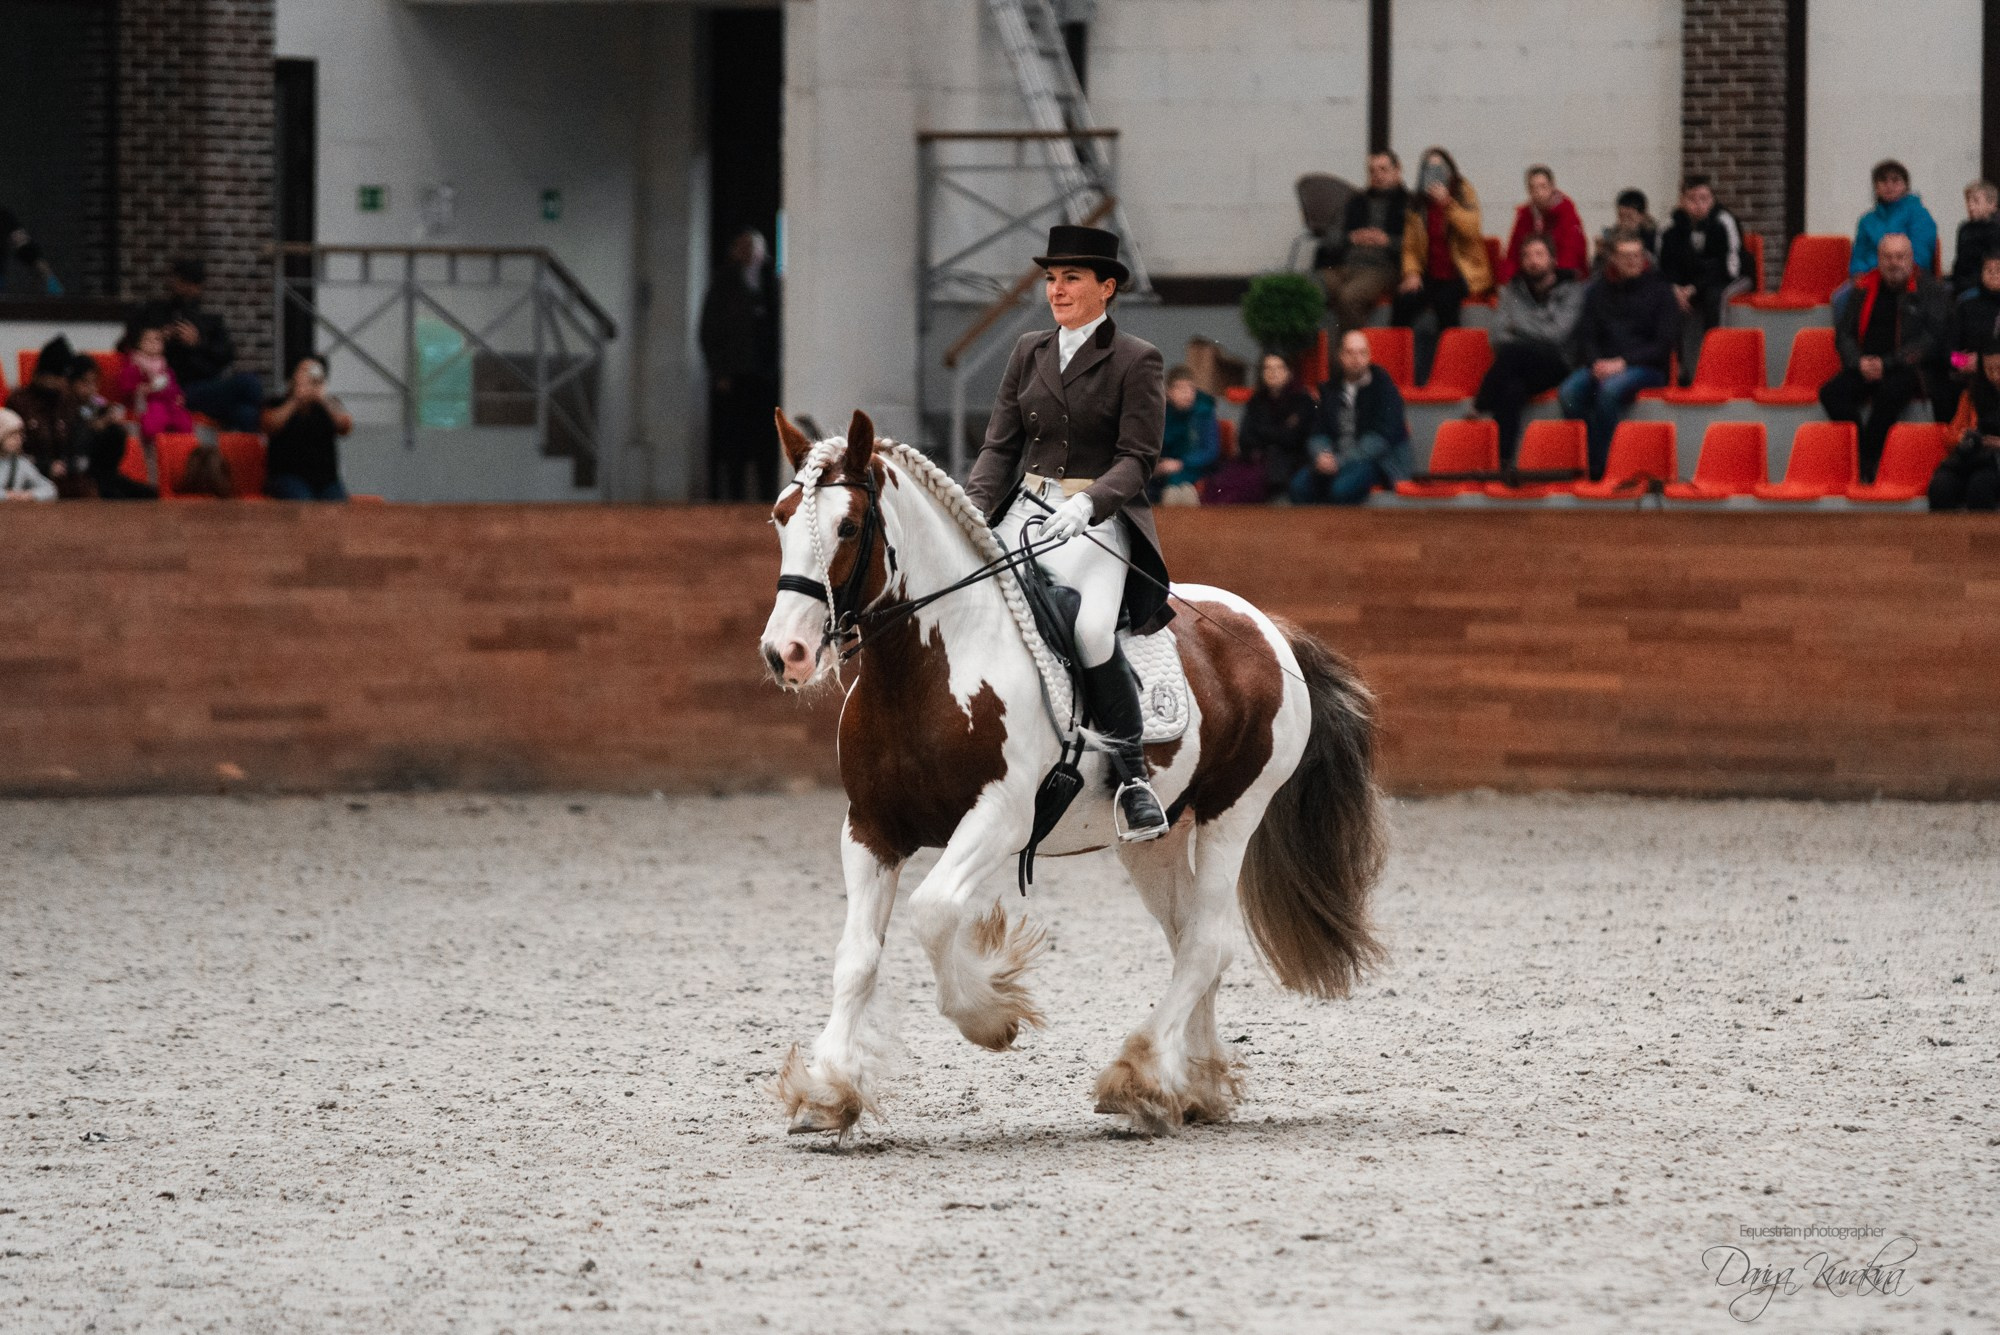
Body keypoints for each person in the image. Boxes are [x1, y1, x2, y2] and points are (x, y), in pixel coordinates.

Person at [965, 223, 1172, 841]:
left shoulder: (1136, 359)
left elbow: (1138, 457)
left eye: (1071, 278)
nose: (1056, 290)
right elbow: (999, 447)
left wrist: (1090, 504)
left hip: (1095, 520)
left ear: (1106, 288)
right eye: (1052, 279)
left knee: (1089, 629)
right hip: (1026, 508)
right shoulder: (1028, 349)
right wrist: (971, 511)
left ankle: (1133, 777)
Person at [1821, 233, 1949, 482]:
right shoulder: (1862, 287)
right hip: (1864, 364)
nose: (1894, 263)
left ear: (1911, 259)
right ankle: (1860, 450)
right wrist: (1857, 362)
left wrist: (1887, 363)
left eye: (1900, 257)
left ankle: (1867, 459)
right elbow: (1844, 334)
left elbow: (1931, 340)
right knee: (1831, 394)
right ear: (1879, 259)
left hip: (1907, 367)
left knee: (1890, 393)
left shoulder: (1930, 290)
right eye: (1888, 257)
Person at [1559, 232, 1680, 479]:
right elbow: (1587, 336)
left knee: (1609, 391)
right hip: (1604, 365)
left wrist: (1622, 363)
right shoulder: (1596, 291)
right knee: (1568, 394)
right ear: (1613, 258)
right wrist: (1595, 363)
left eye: (1637, 255)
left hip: (1648, 368)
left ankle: (1602, 468)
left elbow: (1663, 345)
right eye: (1626, 256)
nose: (1633, 261)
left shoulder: (1661, 291)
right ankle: (1593, 453)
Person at [1473, 235, 1585, 467]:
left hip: (1558, 364)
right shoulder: (1510, 292)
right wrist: (1535, 329)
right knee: (1511, 389)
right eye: (1527, 256)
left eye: (1539, 255)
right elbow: (1497, 336)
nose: (1533, 261)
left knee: (1514, 352)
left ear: (1553, 260)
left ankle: (1481, 402)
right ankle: (1502, 463)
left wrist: (1517, 326)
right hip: (1520, 366)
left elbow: (1557, 335)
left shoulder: (1572, 290)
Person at [698, 227, 781, 501]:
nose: (750, 253)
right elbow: (709, 330)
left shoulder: (772, 283)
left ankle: (768, 495)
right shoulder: (723, 283)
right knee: (734, 439)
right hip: (734, 374)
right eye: (744, 247)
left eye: (755, 248)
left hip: (765, 374)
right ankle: (733, 498)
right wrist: (719, 370)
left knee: (766, 438)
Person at [1396, 146, 1492, 382]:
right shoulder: (1417, 203)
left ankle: (1449, 372)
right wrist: (1411, 272)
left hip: (1462, 273)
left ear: (1450, 171)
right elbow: (1410, 246)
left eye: (1439, 169)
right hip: (1430, 273)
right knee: (1403, 301)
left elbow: (1472, 230)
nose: (1434, 174)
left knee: (1445, 302)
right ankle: (1398, 370)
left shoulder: (1463, 191)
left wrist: (1448, 203)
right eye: (1429, 169)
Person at [138, 259, 264, 430]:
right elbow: (128, 345)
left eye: (192, 284)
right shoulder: (156, 313)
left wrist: (198, 343)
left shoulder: (209, 319)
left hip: (209, 384)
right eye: (183, 282)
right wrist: (159, 337)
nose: (188, 288)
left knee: (245, 412)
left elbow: (226, 355)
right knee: (249, 385)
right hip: (174, 387)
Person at [1293, 329, 1412, 504]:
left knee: (1341, 490)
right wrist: (1322, 455)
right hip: (1335, 458)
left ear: (1369, 356)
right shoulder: (1329, 389)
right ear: (1341, 356)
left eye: (1362, 353)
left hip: (1376, 462)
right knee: (1299, 487)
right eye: (1350, 353)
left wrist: (1340, 461)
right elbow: (1317, 431)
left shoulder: (1385, 389)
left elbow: (1380, 440)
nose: (1356, 358)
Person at [1655, 175, 1748, 387]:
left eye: (1704, 199)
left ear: (1712, 199)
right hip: (1688, 283)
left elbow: (1730, 267)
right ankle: (1679, 369)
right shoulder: (1669, 226)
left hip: (1729, 278)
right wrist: (1675, 289)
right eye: (1692, 199)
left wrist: (1694, 288)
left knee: (1716, 298)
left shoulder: (1724, 221)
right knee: (1665, 299)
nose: (1698, 205)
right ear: (1681, 200)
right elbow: (1664, 266)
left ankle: (1717, 364)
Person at [1318, 151, 1410, 334]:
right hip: (1345, 265)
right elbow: (1329, 239)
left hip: (1383, 268)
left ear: (1397, 170)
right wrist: (1351, 238)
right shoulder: (1355, 201)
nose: (1377, 175)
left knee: (1350, 297)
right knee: (1309, 287)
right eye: (1372, 171)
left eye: (1383, 169)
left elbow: (1419, 246)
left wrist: (1387, 241)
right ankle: (1311, 349)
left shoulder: (1410, 204)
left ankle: (1355, 349)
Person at [1215, 352, 1315, 503]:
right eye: (1268, 368)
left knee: (1248, 486)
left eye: (1278, 368)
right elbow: (1245, 437)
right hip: (1256, 458)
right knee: (1222, 482)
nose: (1273, 373)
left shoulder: (1302, 399)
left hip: (1289, 462)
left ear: (1288, 372)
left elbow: (1295, 438)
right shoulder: (1256, 400)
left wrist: (1264, 433)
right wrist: (1276, 433)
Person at [261, 354, 354, 500]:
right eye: (304, 371)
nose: (309, 377)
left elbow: (346, 427)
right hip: (287, 476)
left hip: (326, 480)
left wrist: (322, 398)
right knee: (303, 502)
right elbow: (269, 425)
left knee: (337, 505)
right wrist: (296, 399)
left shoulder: (329, 405)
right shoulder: (278, 402)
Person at [5, 336, 90, 497]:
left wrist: (70, 464)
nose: (64, 383)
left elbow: (81, 444)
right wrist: (45, 466)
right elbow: (10, 449)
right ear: (46, 376)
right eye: (60, 378)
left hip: (70, 479)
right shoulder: (19, 402)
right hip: (31, 479)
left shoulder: (68, 402)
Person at [66, 355, 156, 500]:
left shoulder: (97, 404)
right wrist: (99, 425)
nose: (91, 388)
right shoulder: (65, 408)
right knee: (116, 498)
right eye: (85, 382)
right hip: (83, 475)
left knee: (149, 494)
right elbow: (77, 444)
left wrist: (112, 419)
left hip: (107, 472)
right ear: (71, 383)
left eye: (94, 382)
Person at [1929, 344, 2000, 511]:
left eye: (1999, 368)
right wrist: (1963, 438)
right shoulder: (1971, 395)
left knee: (1980, 486)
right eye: (1989, 369)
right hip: (1971, 458)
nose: (1995, 375)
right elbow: (1951, 436)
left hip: (1994, 463)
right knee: (1941, 486)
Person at [1850, 160, 1939, 279]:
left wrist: (1886, 269)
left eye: (1895, 180)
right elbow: (1858, 259)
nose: (1889, 185)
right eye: (1883, 180)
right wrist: (1863, 274)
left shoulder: (1919, 215)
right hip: (1870, 278)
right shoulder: (1866, 221)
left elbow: (1920, 256)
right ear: (1876, 187)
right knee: (1843, 291)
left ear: (1905, 186)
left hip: (1908, 277)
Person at [112, 322, 197, 438]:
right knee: (156, 418)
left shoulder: (163, 364)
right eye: (148, 340)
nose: (153, 344)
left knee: (184, 420)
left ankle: (182, 442)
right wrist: (142, 389)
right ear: (139, 343)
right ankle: (155, 440)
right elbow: (126, 386)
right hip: (148, 403)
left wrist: (178, 395)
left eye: (157, 340)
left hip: (169, 402)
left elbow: (172, 384)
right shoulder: (134, 364)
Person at [1504, 165, 1587, 279]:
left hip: (1563, 277)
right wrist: (1508, 279)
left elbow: (1571, 254)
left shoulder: (1566, 213)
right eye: (1533, 188)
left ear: (1552, 187)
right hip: (1531, 277)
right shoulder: (1525, 215)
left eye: (1543, 187)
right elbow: (1513, 253)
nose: (1539, 192)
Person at [1152, 366, 1218, 504]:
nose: (1187, 394)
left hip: (1195, 469)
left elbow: (1210, 451)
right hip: (1161, 471)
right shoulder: (1159, 413)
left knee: (1177, 492)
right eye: (1181, 388)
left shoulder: (1203, 413)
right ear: (1168, 392)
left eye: (1191, 389)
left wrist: (1181, 463)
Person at [1950, 181, 2000, 298]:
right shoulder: (1964, 228)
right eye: (1968, 201)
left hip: (1981, 285)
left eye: (1976, 201)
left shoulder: (1995, 230)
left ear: (1992, 204)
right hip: (1961, 281)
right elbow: (1960, 261)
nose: (1970, 206)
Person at [0, 409, 58, 501]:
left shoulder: (21, 464)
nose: (18, 439)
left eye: (19, 435)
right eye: (12, 435)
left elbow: (50, 489)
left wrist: (30, 495)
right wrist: (6, 495)